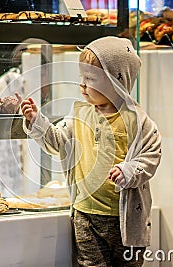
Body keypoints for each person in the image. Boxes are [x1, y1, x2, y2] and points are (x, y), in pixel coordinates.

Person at [16, 36, 162, 266]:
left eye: (90, 79)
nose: (82, 85)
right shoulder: (79, 114)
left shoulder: (138, 122)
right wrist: (36, 121)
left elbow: (151, 156)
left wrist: (129, 170)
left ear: (117, 81)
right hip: (85, 216)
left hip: (125, 220)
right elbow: (57, 141)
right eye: (81, 78)